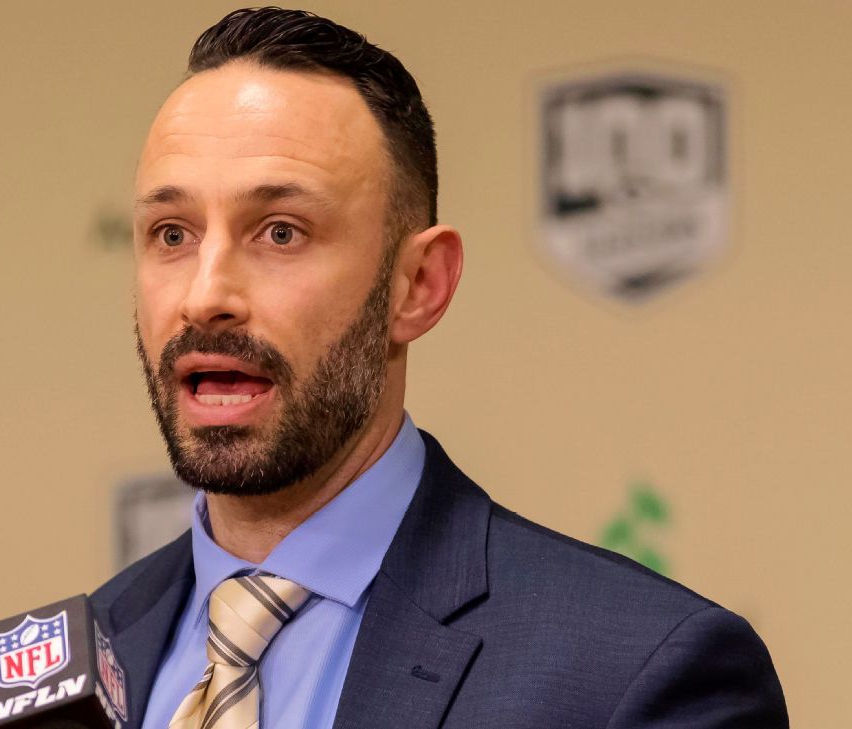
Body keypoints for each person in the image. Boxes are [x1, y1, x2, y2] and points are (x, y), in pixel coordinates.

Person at [92, 7, 787, 728]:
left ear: (419, 284)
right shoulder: (79, 655)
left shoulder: (638, 673)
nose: (205, 297)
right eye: (171, 234)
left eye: (281, 233)